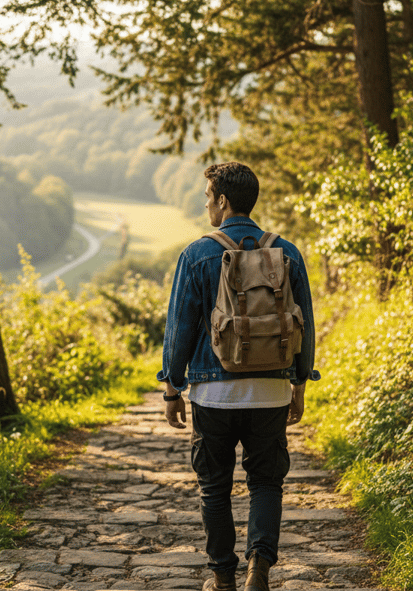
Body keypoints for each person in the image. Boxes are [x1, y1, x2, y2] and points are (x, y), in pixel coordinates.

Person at [157, 162, 320, 591]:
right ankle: (258, 571)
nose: (206, 205)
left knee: (215, 488)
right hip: (271, 390)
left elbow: (181, 327)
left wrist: (172, 386)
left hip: (212, 395)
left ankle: (222, 577)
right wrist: (298, 383)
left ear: (223, 200)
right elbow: (305, 325)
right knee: (266, 482)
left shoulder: (197, 253)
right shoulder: (286, 252)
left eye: (208, 197)